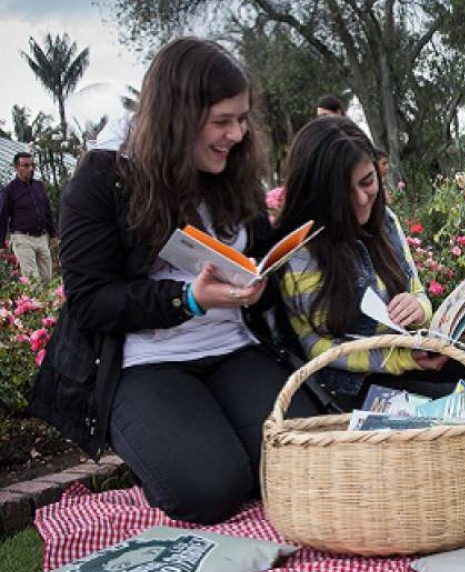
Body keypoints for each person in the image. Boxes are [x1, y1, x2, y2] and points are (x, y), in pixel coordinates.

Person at [29, 38, 317, 524]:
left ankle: (224, 444)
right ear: (176, 117)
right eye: (221, 122)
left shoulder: (234, 173)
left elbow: (257, 254)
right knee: (210, 490)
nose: (237, 134)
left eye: (242, 119)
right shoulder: (104, 178)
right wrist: (187, 299)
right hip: (147, 362)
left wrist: (259, 281)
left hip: (233, 347)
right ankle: (189, 448)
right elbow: (90, 301)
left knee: (310, 461)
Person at [273, 115, 459, 409]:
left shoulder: (385, 223)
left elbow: (419, 294)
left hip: (407, 362)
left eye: (367, 182)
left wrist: (417, 308)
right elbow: (316, 347)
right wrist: (400, 359)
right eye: (344, 193)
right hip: (347, 387)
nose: (361, 199)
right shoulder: (300, 251)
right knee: (456, 406)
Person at [0, 152, 57, 283]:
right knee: (33, 280)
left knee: (47, 278)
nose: (30, 169)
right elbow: (2, 216)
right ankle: (33, 303)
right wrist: (1, 244)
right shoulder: (9, 190)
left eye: (32, 165)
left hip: (42, 238)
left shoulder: (39, 186)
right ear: (16, 167)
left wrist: (53, 235)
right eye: (25, 165)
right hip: (22, 238)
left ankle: (46, 304)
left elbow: (46, 211)